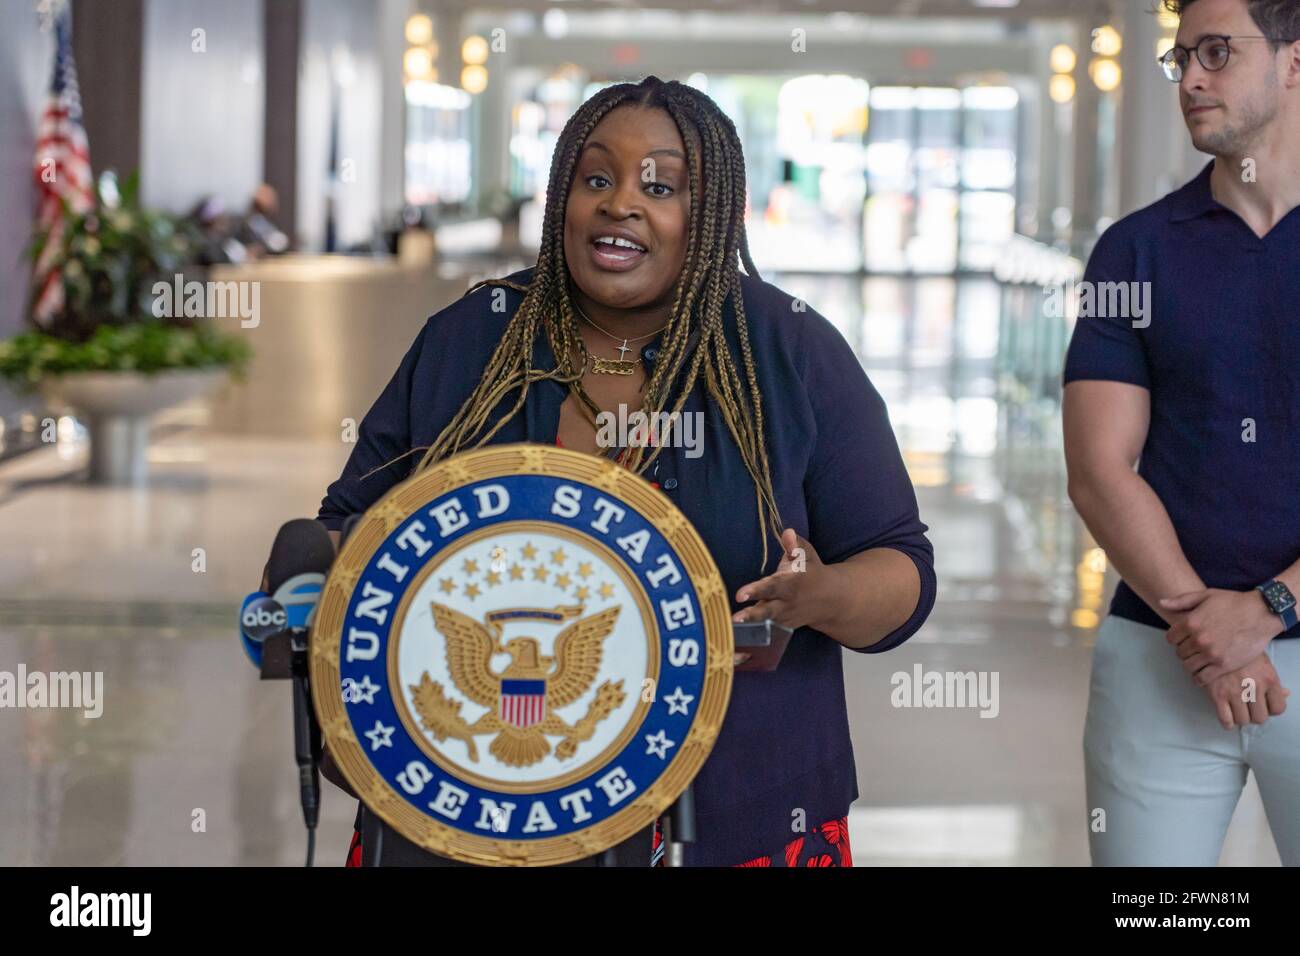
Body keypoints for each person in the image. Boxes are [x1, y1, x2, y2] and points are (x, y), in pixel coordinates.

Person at [309, 75, 936, 866]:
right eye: (596, 178)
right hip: (465, 815)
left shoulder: (789, 350)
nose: (620, 204)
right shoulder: (473, 338)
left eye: (661, 186)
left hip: (730, 818)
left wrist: (821, 597)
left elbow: (902, 568)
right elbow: (344, 529)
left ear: (707, 217)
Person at [1063, 0, 1300, 866]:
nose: (1190, 78)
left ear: (1293, 62)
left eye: (1215, 52)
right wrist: (1209, 632)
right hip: (1159, 651)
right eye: (1180, 57)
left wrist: (1272, 609)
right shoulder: (1134, 252)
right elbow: (1098, 468)